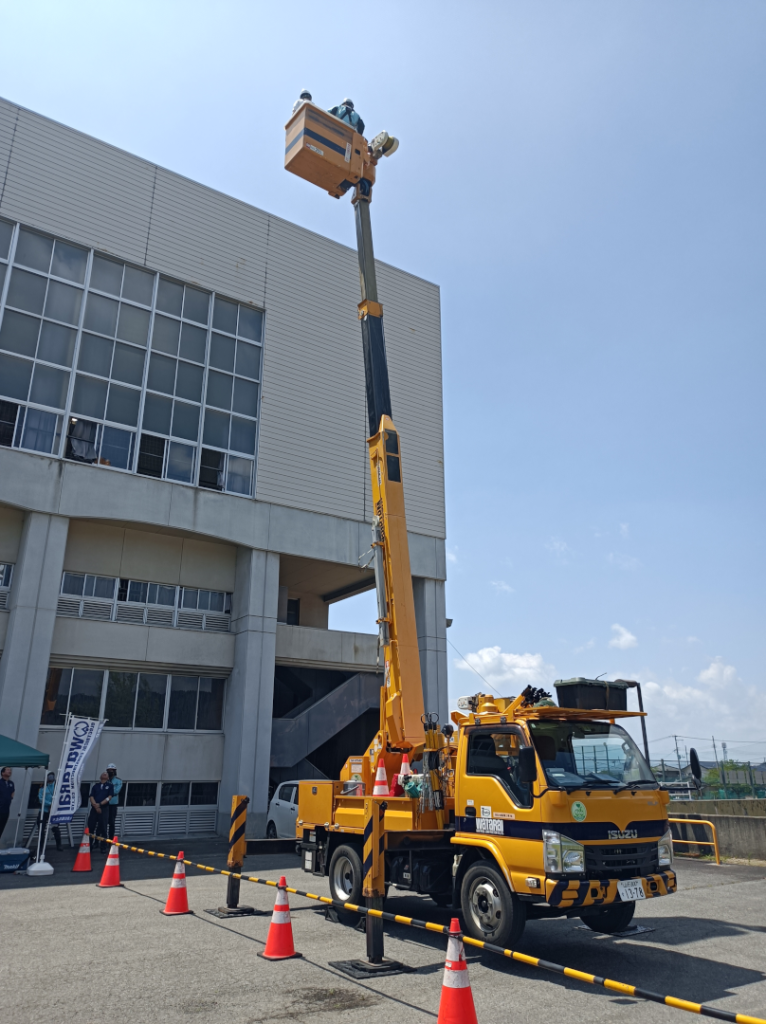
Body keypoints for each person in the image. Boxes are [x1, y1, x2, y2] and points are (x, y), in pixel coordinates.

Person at [36, 772, 62, 854]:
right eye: (49, 776)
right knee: (41, 829)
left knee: (55, 828)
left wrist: (54, 806)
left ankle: (59, 844)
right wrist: (50, 804)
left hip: (54, 811)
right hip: (43, 811)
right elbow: (40, 799)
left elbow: (60, 797)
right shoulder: (42, 787)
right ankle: (41, 847)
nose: (50, 777)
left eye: (52, 776)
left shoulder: (57, 787)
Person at [88, 772, 114, 853]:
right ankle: (89, 846)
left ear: (108, 778)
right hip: (94, 809)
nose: (104, 774)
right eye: (103, 773)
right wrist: (95, 806)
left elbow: (109, 797)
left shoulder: (110, 786)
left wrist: (100, 804)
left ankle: (103, 847)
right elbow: (91, 796)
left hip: (104, 809)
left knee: (103, 828)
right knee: (91, 827)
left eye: (106, 774)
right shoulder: (96, 786)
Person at [105, 763, 122, 842]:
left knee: (111, 823)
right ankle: (101, 841)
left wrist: (107, 791)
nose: (110, 771)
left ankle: (111, 840)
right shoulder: (105, 780)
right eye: (108, 770)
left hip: (113, 804)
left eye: (112, 770)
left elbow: (116, 791)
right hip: (104, 804)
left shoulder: (118, 781)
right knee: (102, 823)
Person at [0, 767, 14, 841]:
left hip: (6, 810)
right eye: (8, 770)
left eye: (10, 770)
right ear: (2, 773)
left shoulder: (11, 783)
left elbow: (12, 792)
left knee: (2, 827)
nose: (10, 771)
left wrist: (10, 798)